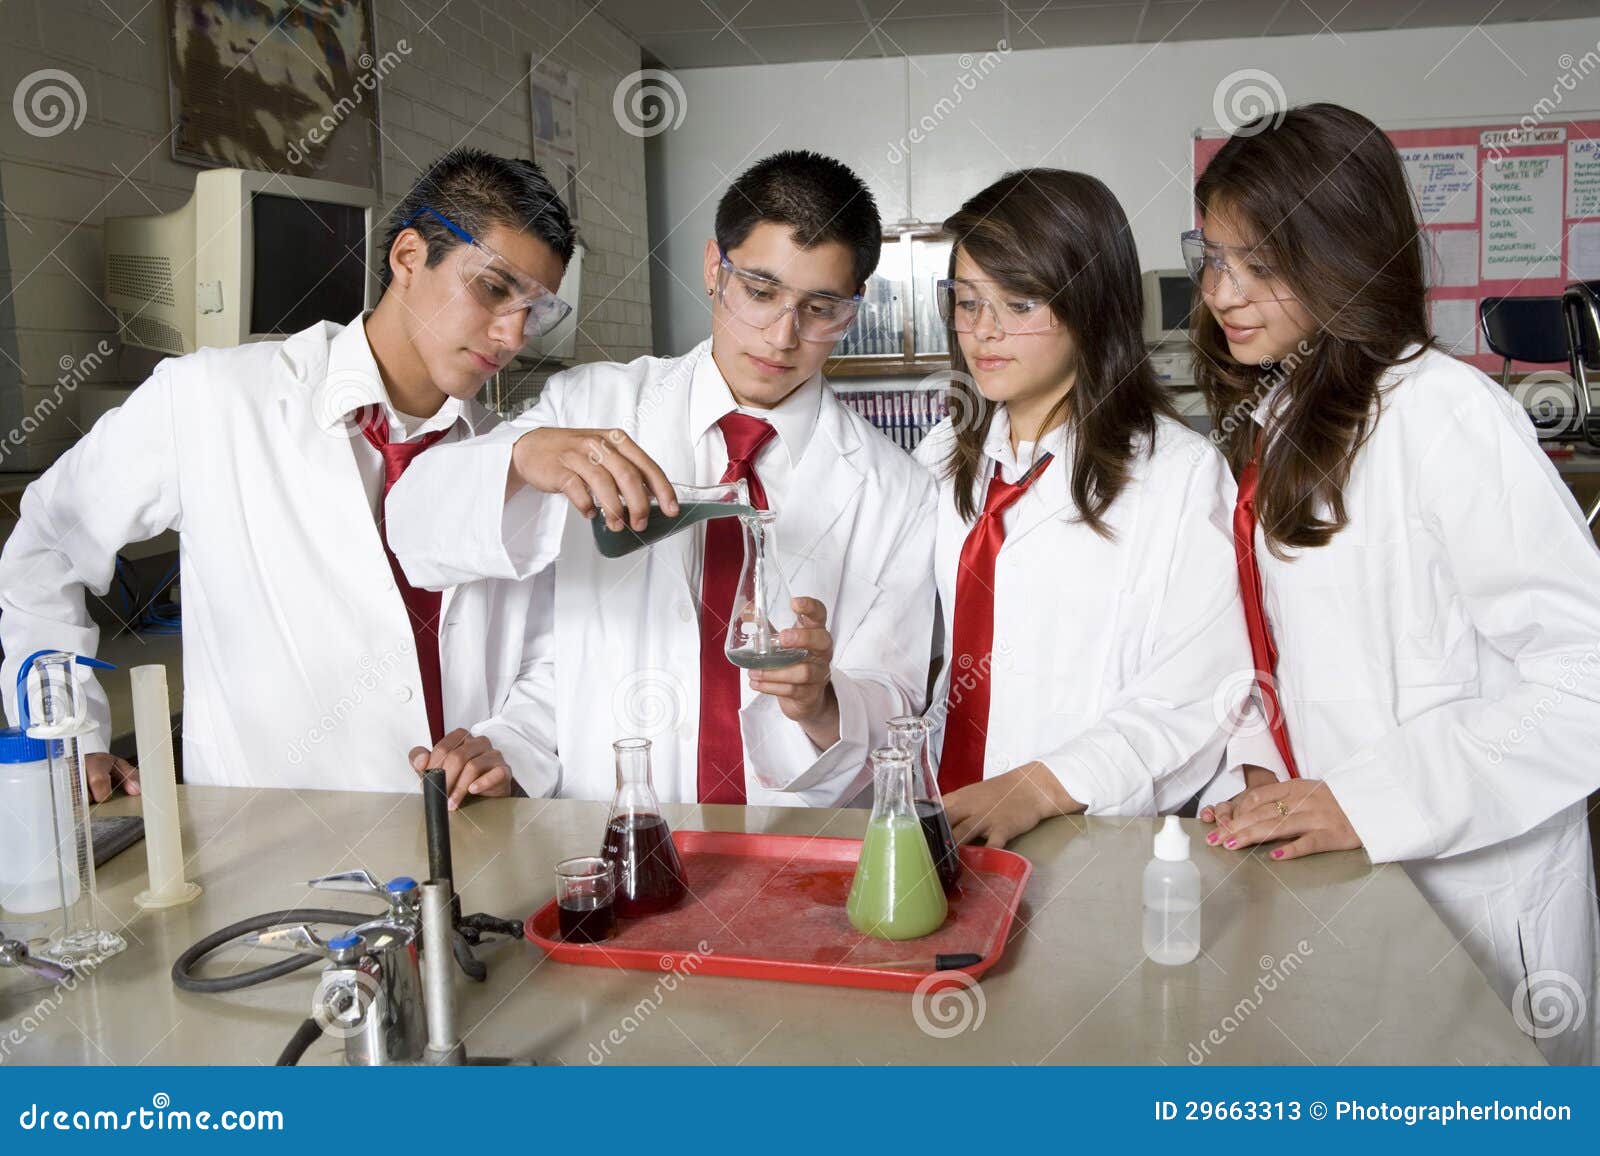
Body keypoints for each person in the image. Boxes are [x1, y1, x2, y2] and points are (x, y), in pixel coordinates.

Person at [1191, 102, 1600, 1065]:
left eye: (1260, 262)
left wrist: (1372, 798)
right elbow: (1285, 641)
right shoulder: (1291, 412)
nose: (1221, 292)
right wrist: (1259, 761)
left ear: (1345, 255)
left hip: (1473, 889)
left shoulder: (1448, 416)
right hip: (1348, 874)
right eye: (1212, 256)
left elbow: (1587, 680)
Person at [0, 148, 576, 806]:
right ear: (409, 256)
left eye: (537, 311)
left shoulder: (508, 458)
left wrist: (510, 743)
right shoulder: (213, 399)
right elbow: (45, 543)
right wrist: (66, 733)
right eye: (495, 289)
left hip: (469, 843)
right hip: (271, 856)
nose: (511, 335)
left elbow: (549, 650)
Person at [384, 150, 937, 806]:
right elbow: (413, 529)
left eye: (820, 309)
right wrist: (521, 458)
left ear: (853, 308)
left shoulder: (899, 492)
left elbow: (899, 706)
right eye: (760, 292)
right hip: (614, 821)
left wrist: (822, 702)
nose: (782, 336)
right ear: (714, 270)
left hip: (795, 844)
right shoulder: (589, 407)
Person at [919, 169, 1267, 848]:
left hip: (1086, 839)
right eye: (966, 302)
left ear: (1092, 306)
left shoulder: (1177, 476)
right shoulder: (941, 457)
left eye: (1019, 305)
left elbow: (1194, 700)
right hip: (942, 820)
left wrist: (1040, 786)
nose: (984, 332)